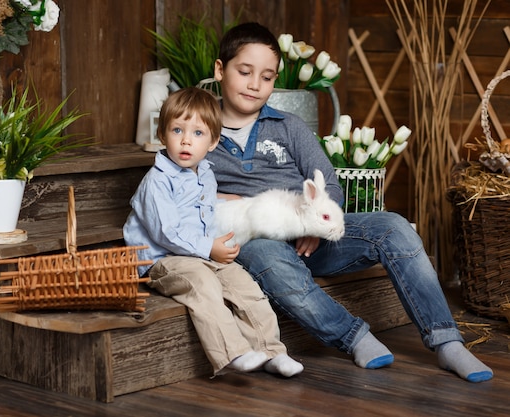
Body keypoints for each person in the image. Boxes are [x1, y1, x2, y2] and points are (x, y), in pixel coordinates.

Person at [206, 21, 493, 383]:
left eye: (266, 77)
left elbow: (328, 183)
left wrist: (316, 226)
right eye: (244, 72)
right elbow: (177, 189)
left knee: (394, 227)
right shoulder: (200, 129)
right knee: (266, 255)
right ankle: (353, 336)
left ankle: (447, 341)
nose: (254, 85)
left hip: (315, 239)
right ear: (220, 70)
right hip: (260, 243)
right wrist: (213, 196)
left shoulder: (288, 126)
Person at [123, 87, 303, 377]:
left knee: (245, 286)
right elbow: (166, 232)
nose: (185, 140)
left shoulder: (204, 172)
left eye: (197, 133)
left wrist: (230, 207)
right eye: (177, 130)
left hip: (202, 253)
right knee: (203, 285)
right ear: (162, 135)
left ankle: (271, 351)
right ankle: (232, 352)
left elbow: (201, 206)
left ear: (213, 141)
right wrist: (209, 248)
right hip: (163, 260)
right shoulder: (156, 182)